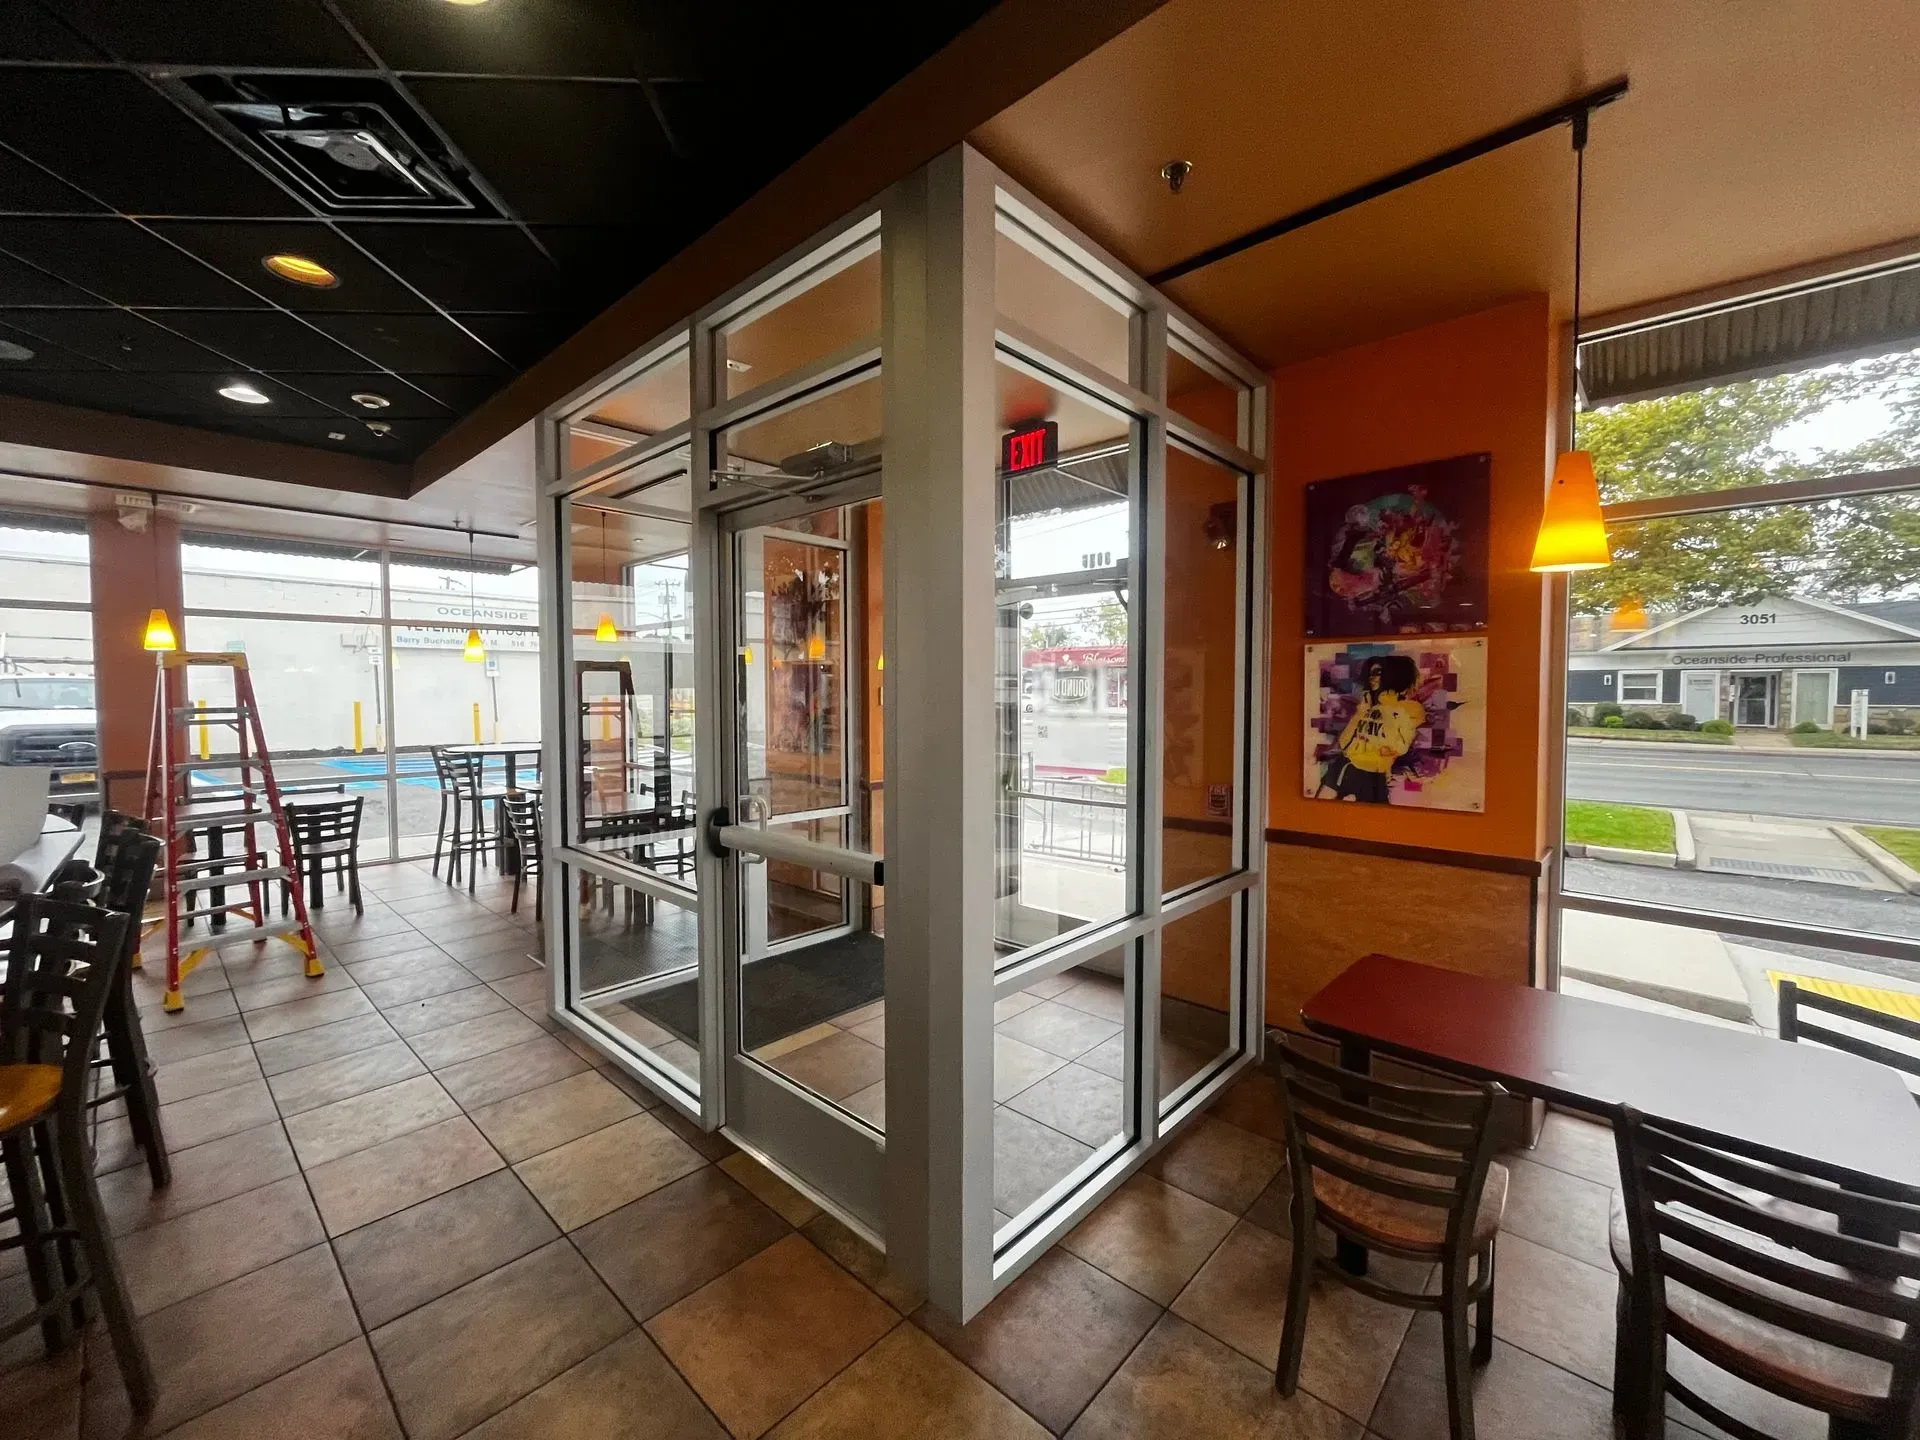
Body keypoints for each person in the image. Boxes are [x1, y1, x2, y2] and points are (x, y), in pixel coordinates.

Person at [1317, 654, 1422, 803]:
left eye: (1378, 673)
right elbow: (1344, 741)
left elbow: (1401, 745)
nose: (1371, 678)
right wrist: (1362, 711)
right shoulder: (1367, 705)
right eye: (1370, 673)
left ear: (1394, 674)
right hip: (1345, 767)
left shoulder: (1407, 709)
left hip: (1372, 776)